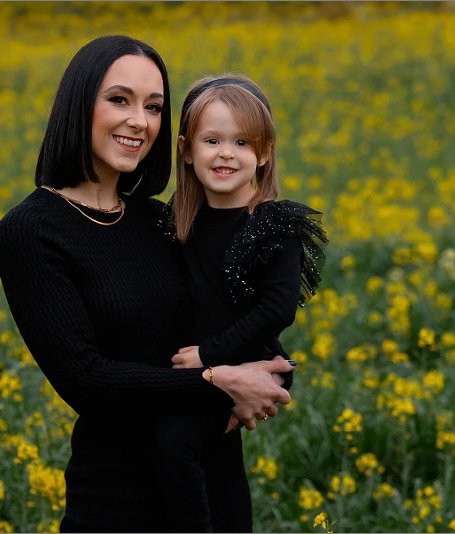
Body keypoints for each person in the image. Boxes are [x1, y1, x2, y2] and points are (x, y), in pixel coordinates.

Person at [0, 36, 295, 533]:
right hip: (119, 501)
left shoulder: (165, 221)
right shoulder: (32, 231)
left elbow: (244, 325)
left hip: (214, 488)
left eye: (154, 107)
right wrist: (216, 381)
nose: (140, 120)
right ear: (78, 104)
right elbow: (85, 380)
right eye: (119, 100)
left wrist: (274, 376)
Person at [153, 74, 328, 532]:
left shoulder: (272, 224)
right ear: (187, 151)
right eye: (212, 140)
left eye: (242, 142)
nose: (226, 153)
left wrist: (209, 355)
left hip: (250, 359)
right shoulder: (181, 221)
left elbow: (277, 310)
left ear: (264, 153)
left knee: (175, 444)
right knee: (218, 457)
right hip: (203, 362)